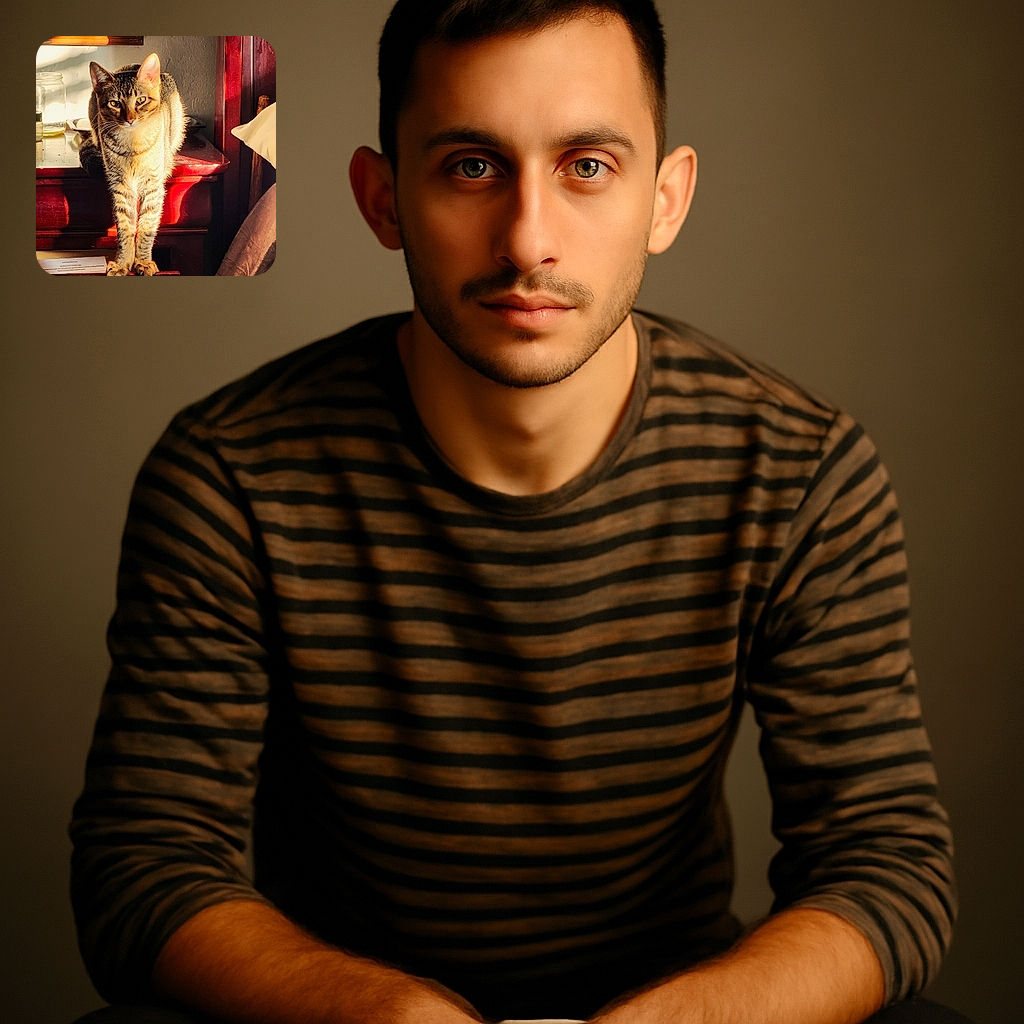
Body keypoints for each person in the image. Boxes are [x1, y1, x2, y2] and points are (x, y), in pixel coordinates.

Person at [69, 2, 963, 1022]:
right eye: (469, 167)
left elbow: (886, 863)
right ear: (383, 198)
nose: (528, 239)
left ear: (665, 200)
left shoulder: (797, 470)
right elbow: (143, 865)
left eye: (587, 166)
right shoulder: (231, 474)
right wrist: (385, 1015)